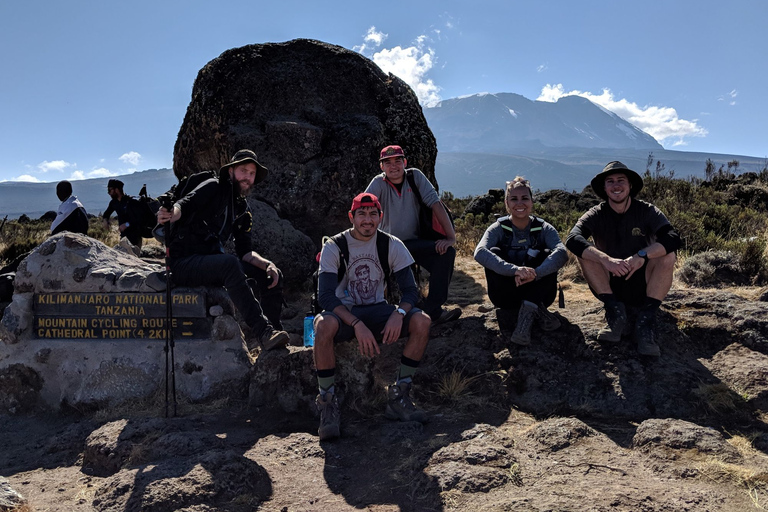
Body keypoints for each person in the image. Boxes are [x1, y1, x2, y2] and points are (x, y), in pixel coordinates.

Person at [313, 192, 432, 441]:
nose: (367, 220)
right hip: (346, 312)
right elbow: (325, 296)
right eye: (362, 214)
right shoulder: (334, 246)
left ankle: (399, 395)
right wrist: (356, 324)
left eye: (373, 214)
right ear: (351, 217)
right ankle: (327, 401)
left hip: (379, 309)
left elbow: (411, 291)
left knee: (422, 321)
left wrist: (399, 313)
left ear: (381, 217)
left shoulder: (391, 244)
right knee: (323, 325)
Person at [156, 149, 289, 353]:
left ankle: (274, 336)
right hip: (184, 263)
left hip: (210, 263)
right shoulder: (213, 187)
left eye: (252, 173)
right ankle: (263, 332)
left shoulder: (242, 209)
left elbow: (245, 252)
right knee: (229, 263)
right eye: (243, 170)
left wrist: (268, 265)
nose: (248, 177)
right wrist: (170, 213)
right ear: (231, 171)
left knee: (269, 273)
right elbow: (185, 204)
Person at [565, 161, 680, 357]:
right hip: (610, 284)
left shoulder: (646, 210)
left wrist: (642, 256)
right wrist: (605, 260)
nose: (616, 185)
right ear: (604, 188)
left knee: (667, 255)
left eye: (621, 180)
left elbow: (672, 238)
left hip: (644, 283)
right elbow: (573, 239)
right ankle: (615, 314)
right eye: (610, 181)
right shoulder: (596, 213)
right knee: (585, 254)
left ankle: (646, 321)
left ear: (630, 185)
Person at [364, 145, 461, 325]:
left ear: (405, 162)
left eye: (397, 161)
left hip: (415, 243)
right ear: (381, 167)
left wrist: (450, 238)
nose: (393, 166)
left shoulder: (415, 176)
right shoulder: (378, 183)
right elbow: (363, 208)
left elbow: (436, 204)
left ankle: (433, 310)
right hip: (389, 247)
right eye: (388, 162)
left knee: (446, 254)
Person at [474, 177, 568, 345]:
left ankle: (524, 323)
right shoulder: (498, 228)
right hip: (504, 296)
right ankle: (536, 310)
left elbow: (561, 253)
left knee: (546, 253)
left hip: (543, 294)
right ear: (507, 203)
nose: (520, 203)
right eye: (514, 199)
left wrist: (536, 274)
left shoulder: (543, 228)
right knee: (494, 251)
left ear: (532, 201)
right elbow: (480, 252)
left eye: (525, 198)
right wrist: (515, 270)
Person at [102, 179, 143, 249]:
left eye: (110, 190)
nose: (108, 193)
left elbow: (139, 219)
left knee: (133, 257)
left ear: (117, 190)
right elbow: (106, 213)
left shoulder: (131, 202)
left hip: (135, 236)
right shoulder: (113, 203)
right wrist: (105, 220)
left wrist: (126, 225)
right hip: (123, 236)